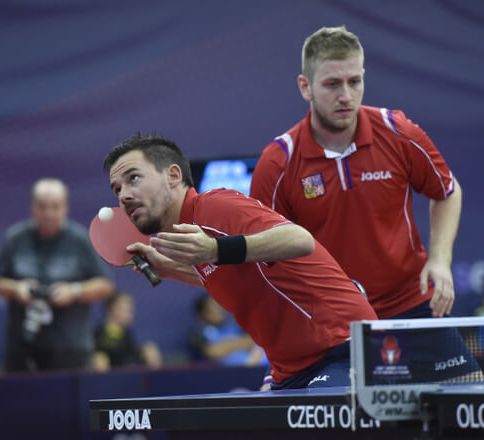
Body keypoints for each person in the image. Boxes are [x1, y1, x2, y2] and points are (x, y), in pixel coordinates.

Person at [103, 133, 378, 389]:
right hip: (291, 367)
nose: (123, 195)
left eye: (134, 178)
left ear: (173, 176)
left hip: (341, 348)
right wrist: (171, 269)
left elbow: (300, 239)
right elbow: (229, 274)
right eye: (117, 189)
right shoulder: (193, 235)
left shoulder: (213, 206)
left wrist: (214, 248)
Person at [249, 26, 462, 321]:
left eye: (355, 81)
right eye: (332, 84)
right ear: (305, 87)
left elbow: (448, 192)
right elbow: (261, 252)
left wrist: (440, 260)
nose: (346, 96)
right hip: (330, 317)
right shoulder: (277, 163)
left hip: (411, 301)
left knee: (473, 372)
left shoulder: (398, 132)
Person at [0, 178, 115, 372]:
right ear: (32, 207)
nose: (48, 214)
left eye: (55, 207)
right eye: (42, 206)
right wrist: (17, 289)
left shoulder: (79, 240)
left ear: (66, 208)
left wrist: (74, 291)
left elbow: (105, 285)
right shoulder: (14, 238)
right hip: (22, 346)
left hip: (71, 349)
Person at [189, 293, 267, 367]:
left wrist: (227, 345)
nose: (219, 310)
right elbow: (213, 352)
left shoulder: (234, 325)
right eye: (213, 308)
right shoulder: (199, 333)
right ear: (203, 313)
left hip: (253, 364)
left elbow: (253, 341)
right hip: (223, 373)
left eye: (219, 306)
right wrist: (240, 343)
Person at [93, 291, 163, 372]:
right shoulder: (99, 332)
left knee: (151, 349)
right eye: (126, 309)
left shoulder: (126, 333)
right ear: (111, 308)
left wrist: (145, 352)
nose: (131, 314)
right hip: (110, 377)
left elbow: (130, 353)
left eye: (131, 309)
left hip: (129, 375)